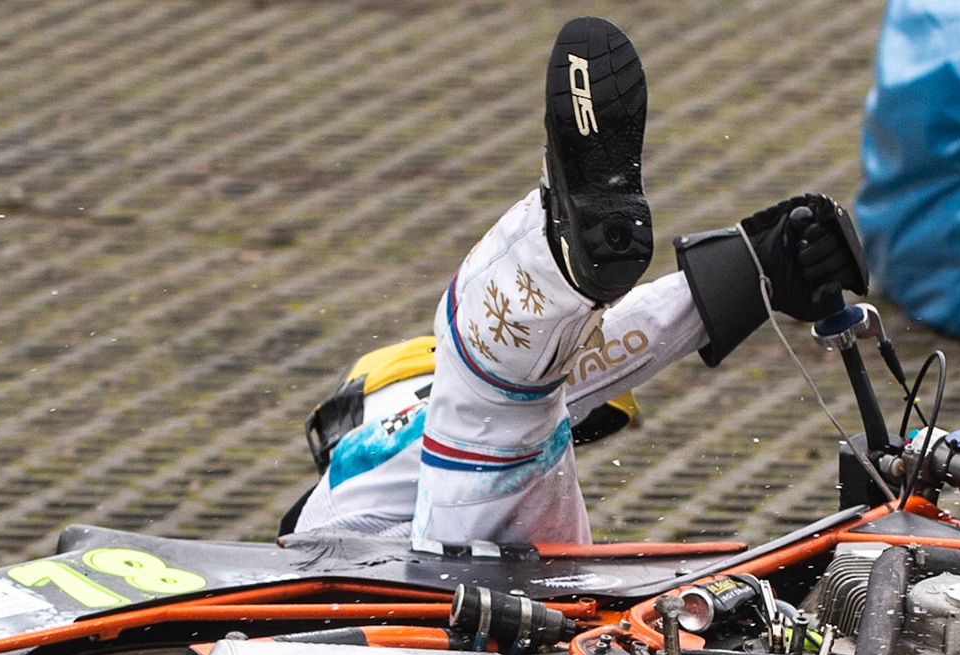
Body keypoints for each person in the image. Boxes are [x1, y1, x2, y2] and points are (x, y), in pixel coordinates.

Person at [286, 15, 867, 546]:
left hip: (508, 600)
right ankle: (553, 247)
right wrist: (752, 266)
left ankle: (560, 254)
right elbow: (588, 368)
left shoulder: (402, 450)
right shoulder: (374, 456)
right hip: (429, 581)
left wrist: (753, 267)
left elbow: (582, 372)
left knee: (515, 401)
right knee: (498, 394)